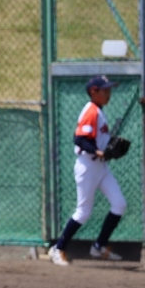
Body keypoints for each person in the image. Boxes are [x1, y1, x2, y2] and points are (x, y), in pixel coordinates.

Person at [48, 75, 127, 266]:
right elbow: (79, 139)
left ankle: (99, 246)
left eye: (109, 90)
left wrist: (108, 148)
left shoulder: (99, 111)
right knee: (83, 212)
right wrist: (98, 151)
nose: (109, 94)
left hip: (100, 167)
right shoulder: (91, 111)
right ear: (94, 92)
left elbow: (95, 139)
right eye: (105, 90)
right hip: (88, 166)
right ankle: (58, 248)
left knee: (119, 204)